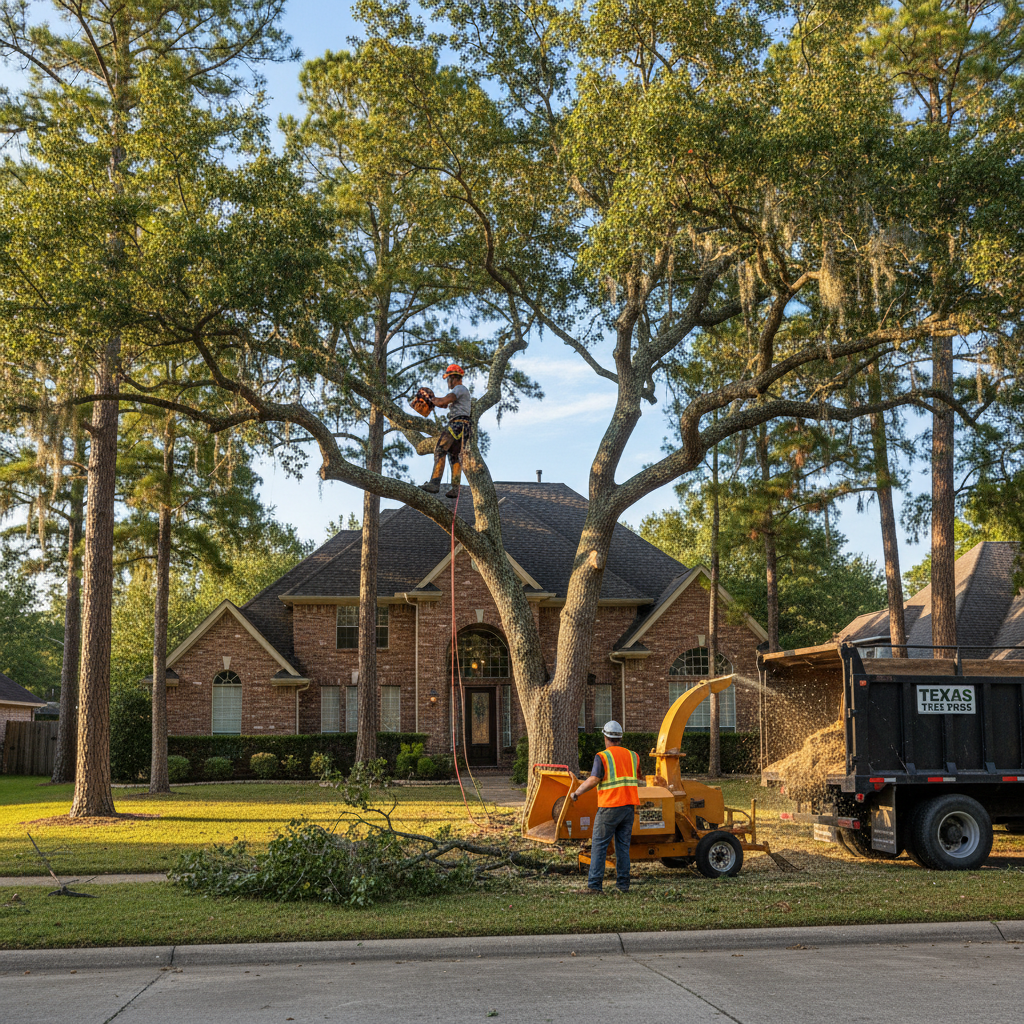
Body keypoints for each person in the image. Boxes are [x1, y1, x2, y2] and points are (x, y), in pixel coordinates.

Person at [570, 720, 640, 894]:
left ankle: (594, 886)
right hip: (629, 807)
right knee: (622, 847)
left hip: (610, 806)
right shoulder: (634, 756)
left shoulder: (602, 756)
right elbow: (637, 778)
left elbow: (594, 779)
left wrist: (577, 793)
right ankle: (623, 885)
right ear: (620, 737)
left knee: (599, 845)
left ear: (605, 737)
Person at [419, 364, 472, 499]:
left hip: (457, 424)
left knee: (440, 449)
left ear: (453, 377)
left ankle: (434, 483)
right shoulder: (462, 392)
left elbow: (445, 400)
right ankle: (455, 488)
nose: (448, 382)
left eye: (448, 379)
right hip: (465, 427)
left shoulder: (459, 389)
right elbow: (443, 404)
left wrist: (431, 399)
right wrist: (436, 402)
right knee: (454, 457)